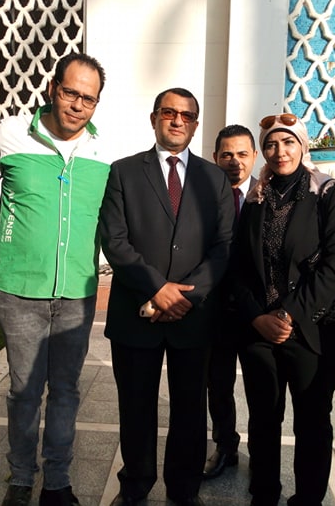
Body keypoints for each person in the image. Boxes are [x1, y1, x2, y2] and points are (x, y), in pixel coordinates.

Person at [99, 88, 236, 506]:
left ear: (195, 124)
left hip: (194, 317)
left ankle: (184, 489)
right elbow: (114, 240)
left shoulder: (214, 178)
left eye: (187, 115)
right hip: (136, 313)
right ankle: (135, 485)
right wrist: (157, 289)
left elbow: (224, 246)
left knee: (190, 411)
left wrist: (186, 297)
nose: (177, 120)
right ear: (154, 118)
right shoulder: (123, 172)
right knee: (136, 409)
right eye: (169, 112)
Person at [0, 52, 110, 506]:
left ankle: (57, 482)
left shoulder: (103, 151)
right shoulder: (9, 134)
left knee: (66, 390)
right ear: (52, 88)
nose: (78, 105)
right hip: (19, 290)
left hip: (77, 292)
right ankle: (21, 478)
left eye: (88, 98)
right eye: (70, 92)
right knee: (23, 391)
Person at [231, 113, 335, 505]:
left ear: (302, 146)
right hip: (260, 331)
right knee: (263, 419)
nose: (279, 151)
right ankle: (264, 492)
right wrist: (257, 317)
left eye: (288, 142)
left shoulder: (330, 193)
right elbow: (238, 267)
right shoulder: (256, 198)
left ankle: (308, 498)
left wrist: (287, 314)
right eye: (270, 144)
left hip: (313, 330)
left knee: (312, 421)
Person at [203, 124, 258, 479]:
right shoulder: (202, 196)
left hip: (257, 312)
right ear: (215, 157)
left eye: (242, 154)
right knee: (219, 384)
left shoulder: (270, 194)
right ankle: (225, 446)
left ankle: (262, 452)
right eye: (227, 154)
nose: (235, 161)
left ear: (254, 156)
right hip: (217, 309)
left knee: (260, 386)